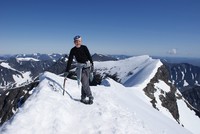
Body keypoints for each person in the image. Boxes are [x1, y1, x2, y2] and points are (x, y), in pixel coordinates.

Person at [64, 35, 94, 104]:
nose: (78, 43)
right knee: (84, 83)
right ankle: (87, 97)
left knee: (84, 83)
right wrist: (67, 70)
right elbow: (70, 61)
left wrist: (92, 69)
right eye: (76, 41)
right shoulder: (73, 50)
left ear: (81, 41)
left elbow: (90, 57)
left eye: (79, 41)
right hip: (80, 69)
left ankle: (86, 97)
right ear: (74, 42)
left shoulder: (84, 48)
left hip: (87, 67)